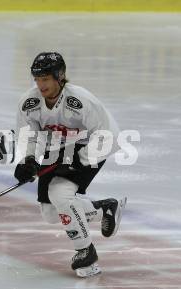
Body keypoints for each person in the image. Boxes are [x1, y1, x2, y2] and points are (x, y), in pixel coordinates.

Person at [14, 52, 127, 277]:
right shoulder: (30, 102)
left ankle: (86, 252)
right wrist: (27, 160)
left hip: (91, 146)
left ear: (60, 77)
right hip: (56, 147)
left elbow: (108, 136)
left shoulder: (80, 100)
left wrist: (78, 161)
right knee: (50, 213)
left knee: (60, 193)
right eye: (37, 79)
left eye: (45, 79)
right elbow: (28, 135)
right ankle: (104, 207)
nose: (40, 84)